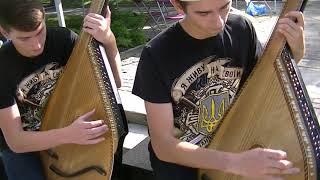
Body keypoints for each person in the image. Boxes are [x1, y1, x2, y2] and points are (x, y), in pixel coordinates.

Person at [132, 0, 305, 179]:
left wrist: (297, 53)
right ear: (177, 5)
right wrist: (236, 162)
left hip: (236, 141)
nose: (219, 22)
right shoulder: (156, 54)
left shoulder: (242, 28)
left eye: (225, 7)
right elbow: (163, 145)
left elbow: (262, 87)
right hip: (182, 163)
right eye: (203, 13)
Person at [0, 0, 122, 179]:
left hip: (66, 126)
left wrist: (109, 39)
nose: (37, 45)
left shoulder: (64, 41)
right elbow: (16, 142)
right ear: (4, 32)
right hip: (26, 146)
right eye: (24, 38)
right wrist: (68, 134)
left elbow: (115, 83)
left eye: (40, 32)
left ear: (44, 15)